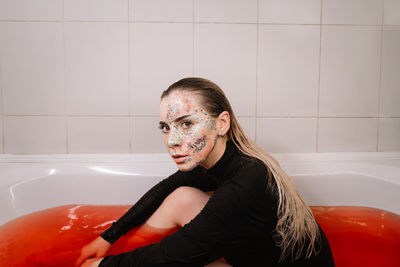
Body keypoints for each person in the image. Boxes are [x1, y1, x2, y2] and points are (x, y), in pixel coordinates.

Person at [76, 77, 335, 267]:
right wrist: (108, 237)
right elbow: (164, 189)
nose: (171, 140)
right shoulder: (221, 158)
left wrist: (99, 266)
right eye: (165, 127)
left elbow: (174, 254)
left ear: (221, 123)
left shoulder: (248, 179)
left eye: (186, 123)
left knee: (180, 261)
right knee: (181, 196)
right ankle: (131, 244)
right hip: (255, 254)